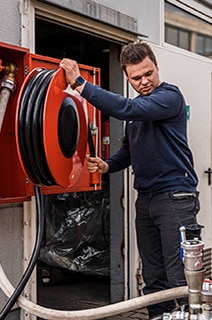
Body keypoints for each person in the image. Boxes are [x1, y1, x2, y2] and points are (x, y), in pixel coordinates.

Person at [60, 42, 202, 318]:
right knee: (153, 276)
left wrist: (80, 83)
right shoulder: (138, 112)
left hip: (176, 198)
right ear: (127, 77)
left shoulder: (169, 97)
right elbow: (129, 151)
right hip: (146, 199)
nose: (144, 81)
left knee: (180, 277)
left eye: (148, 73)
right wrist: (107, 165)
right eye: (136, 78)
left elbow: (125, 108)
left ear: (157, 66)